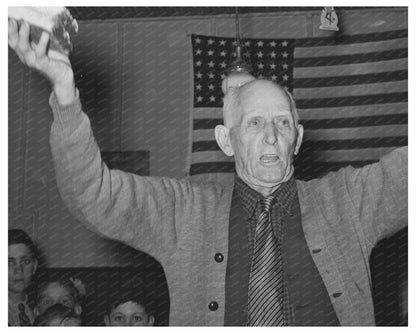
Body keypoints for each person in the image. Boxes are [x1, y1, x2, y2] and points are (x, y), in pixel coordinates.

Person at [8, 20, 408, 326]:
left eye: (283, 124)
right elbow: (92, 193)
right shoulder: (184, 212)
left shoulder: (349, 201)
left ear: (298, 139)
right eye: (254, 124)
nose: (271, 137)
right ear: (226, 140)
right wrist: (64, 92)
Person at [8, 228, 38, 326]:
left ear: (34, 266)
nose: (19, 270)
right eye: (9, 262)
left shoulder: (40, 307)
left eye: (25, 261)